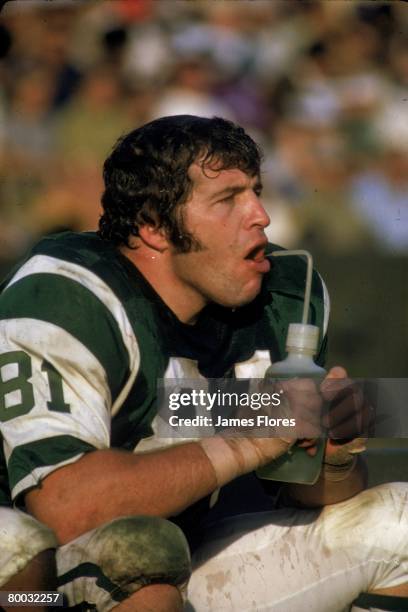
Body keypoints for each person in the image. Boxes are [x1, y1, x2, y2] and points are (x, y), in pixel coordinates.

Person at [0, 115, 406, 612]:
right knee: (136, 555)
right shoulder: (68, 296)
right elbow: (66, 508)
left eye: (256, 191)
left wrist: (334, 454)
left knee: (399, 525)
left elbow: (299, 486)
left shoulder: (283, 294)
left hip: (193, 553)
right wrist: (254, 431)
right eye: (228, 198)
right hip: (33, 584)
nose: (261, 215)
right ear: (153, 226)